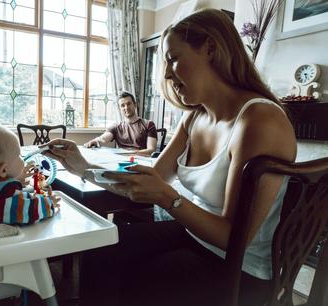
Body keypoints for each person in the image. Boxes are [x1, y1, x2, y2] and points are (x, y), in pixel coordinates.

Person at [42, 8, 297, 306]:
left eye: (173, 58)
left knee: (140, 280)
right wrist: (83, 168)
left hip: (240, 266)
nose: (165, 73)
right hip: (194, 236)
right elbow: (151, 180)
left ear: (211, 49)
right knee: (102, 249)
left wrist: (168, 198)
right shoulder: (194, 118)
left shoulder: (259, 121)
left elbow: (231, 238)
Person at [83, 91, 158, 156]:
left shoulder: (148, 124)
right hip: (120, 161)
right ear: (120, 109)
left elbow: (151, 150)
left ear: (135, 105)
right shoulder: (116, 127)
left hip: (141, 161)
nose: (126, 107)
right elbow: (104, 138)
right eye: (123, 105)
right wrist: (96, 140)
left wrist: (130, 154)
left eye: (129, 104)